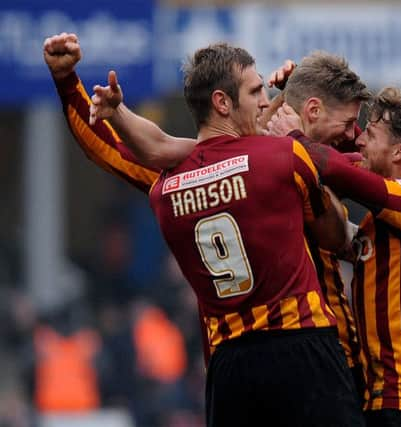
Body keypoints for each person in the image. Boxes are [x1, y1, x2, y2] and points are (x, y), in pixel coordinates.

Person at [44, 33, 365, 427]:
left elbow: (129, 148)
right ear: (222, 102)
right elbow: (343, 219)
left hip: (230, 362)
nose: (266, 100)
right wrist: (298, 129)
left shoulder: (168, 185)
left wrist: (69, 82)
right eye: (256, 92)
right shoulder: (286, 154)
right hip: (309, 347)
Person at [267, 89, 401, 426]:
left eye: (370, 134)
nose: (359, 141)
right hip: (383, 396)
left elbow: (342, 172)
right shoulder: (386, 216)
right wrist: (291, 92)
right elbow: (349, 163)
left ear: (399, 151)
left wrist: (294, 137)